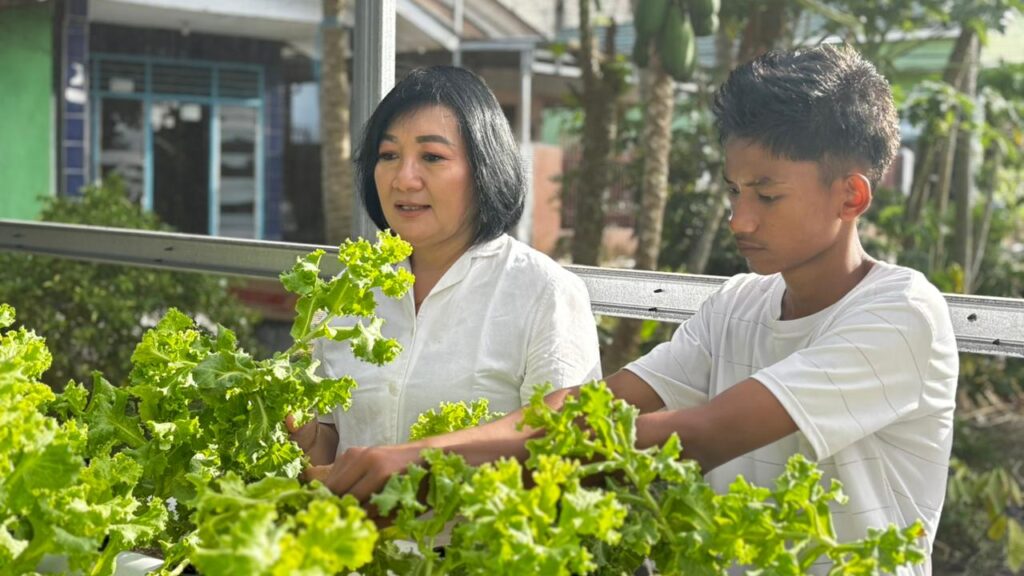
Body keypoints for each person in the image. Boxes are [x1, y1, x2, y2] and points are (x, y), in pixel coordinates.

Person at [309, 45, 958, 574]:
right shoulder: (737, 304)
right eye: (734, 191)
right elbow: (590, 408)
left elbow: (699, 436)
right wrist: (408, 457)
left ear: (851, 197)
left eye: (766, 195)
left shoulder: (901, 314)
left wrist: (426, 463)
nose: (739, 219)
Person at [290, 66, 602, 464]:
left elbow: (564, 454)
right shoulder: (348, 291)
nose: (404, 179)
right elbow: (331, 447)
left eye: (432, 157)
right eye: (388, 155)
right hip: (351, 510)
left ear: (485, 168)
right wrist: (302, 434)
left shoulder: (544, 293)